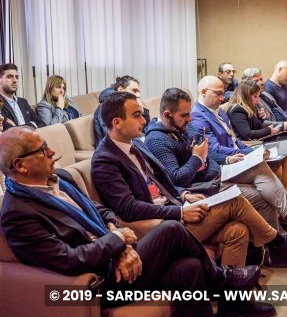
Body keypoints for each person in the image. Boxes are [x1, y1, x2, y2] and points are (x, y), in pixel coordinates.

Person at [0, 127, 269, 317]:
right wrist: (117, 242)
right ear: (20, 165)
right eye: (43, 149)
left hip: (114, 254)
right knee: (172, 230)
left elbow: (101, 210)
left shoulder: (60, 180)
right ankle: (223, 281)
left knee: (188, 268)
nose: (52, 152)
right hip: (104, 281)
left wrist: (120, 239)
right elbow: (69, 259)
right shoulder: (18, 213)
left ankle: (225, 293)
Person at [92, 92, 287, 269]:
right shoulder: (105, 160)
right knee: (235, 201)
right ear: (117, 122)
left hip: (177, 203)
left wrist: (183, 195)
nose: (143, 119)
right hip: (160, 226)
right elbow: (129, 208)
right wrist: (182, 210)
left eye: (142, 113)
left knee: (238, 230)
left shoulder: (137, 144)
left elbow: (162, 181)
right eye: (136, 115)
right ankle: (278, 245)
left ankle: (234, 302)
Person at [144, 87, 287, 237]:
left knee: (260, 166)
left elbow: (206, 153)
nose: (189, 119)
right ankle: (277, 239)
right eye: (184, 116)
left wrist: (226, 158)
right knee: (259, 195)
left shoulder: (184, 126)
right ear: (167, 115)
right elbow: (177, 179)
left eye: (189, 114)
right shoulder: (158, 140)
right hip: (203, 184)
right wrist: (196, 158)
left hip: (218, 170)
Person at [93, 75, 150, 145]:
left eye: (138, 91)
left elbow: (144, 127)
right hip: (114, 149)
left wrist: (142, 111)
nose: (138, 95)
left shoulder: (129, 104)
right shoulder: (106, 106)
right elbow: (113, 135)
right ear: (120, 89)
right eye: (134, 91)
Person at [0, 63, 42, 130]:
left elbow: (41, 123)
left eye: (16, 77)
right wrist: (32, 124)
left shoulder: (23, 102)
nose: (14, 81)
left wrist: (16, 127)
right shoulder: (0, 103)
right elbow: (7, 130)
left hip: (33, 138)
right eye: (9, 77)